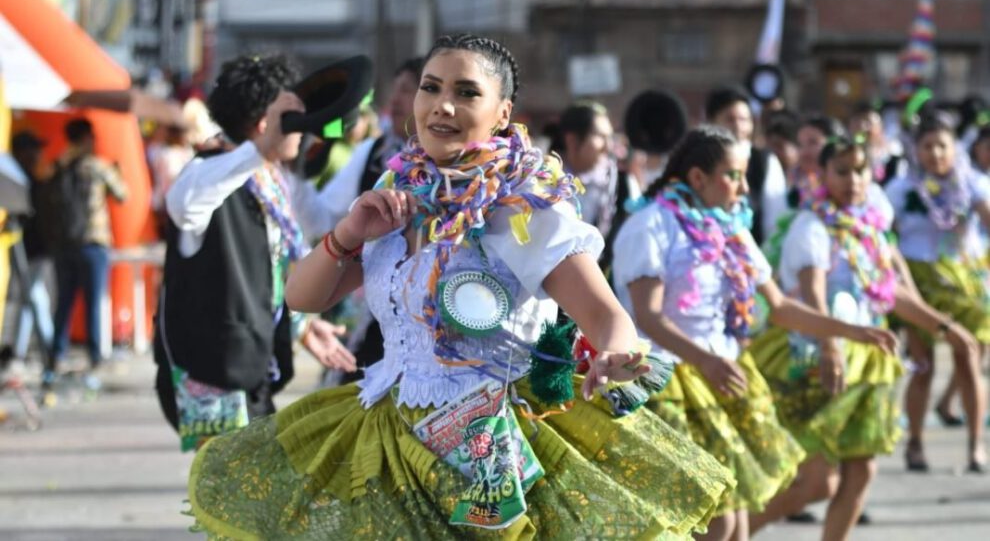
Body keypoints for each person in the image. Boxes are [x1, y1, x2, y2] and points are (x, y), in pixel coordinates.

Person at [186, 34, 736, 538]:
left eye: (466, 92)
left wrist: (617, 352)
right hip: (388, 435)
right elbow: (302, 296)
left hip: (491, 447)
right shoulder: (397, 192)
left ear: (502, 114)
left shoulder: (525, 208)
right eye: (431, 88)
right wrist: (350, 232)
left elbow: (608, 316)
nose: (441, 106)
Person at [612, 126, 898, 541]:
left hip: (722, 369)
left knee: (738, 518)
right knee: (715, 520)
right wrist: (707, 361)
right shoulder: (650, 226)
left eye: (745, 175)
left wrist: (852, 331)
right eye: (733, 175)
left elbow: (779, 307)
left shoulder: (728, 228)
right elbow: (650, 318)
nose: (745, 187)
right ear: (697, 178)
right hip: (669, 377)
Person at [748, 135, 981, 539]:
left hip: (867, 359)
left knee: (861, 472)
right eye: (841, 171)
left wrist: (945, 327)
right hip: (814, 356)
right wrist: (829, 347)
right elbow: (813, 291)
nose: (853, 180)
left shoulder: (870, 223)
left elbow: (891, 293)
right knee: (817, 482)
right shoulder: (811, 225)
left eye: (859, 171)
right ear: (821, 175)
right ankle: (721, 534)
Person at [153, 54, 357, 446]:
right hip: (211, 374)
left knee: (243, 499)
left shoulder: (269, 181)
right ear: (265, 123)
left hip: (254, 366)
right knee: (232, 497)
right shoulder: (211, 169)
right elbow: (185, 201)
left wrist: (301, 326)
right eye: (294, 117)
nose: (303, 129)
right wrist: (258, 150)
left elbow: (274, 265)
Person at [886, 113, 990, 472]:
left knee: (969, 359)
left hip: (961, 280)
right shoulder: (902, 189)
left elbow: (986, 213)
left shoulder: (972, 182)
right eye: (927, 146)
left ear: (953, 148)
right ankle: (914, 443)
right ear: (916, 150)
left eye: (941, 145)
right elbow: (887, 236)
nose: (934, 153)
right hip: (919, 283)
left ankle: (976, 446)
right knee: (923, 367)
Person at [315, 57, 423, 384]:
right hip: (375, 332)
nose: (395, 100)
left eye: (409, 90)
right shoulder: (376, 156)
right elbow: (319, 218)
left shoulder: (501, 188)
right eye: (397, 89)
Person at [44, 119, 128, 390]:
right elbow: (122, 195)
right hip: (93, 243)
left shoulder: (58, 165)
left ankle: (55, 356)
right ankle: (95, 358)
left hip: (63, 245)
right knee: (94, 303)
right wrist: (119, 171)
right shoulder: (96, 166)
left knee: (64, 304)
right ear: (88, 137)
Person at [547, 101, 639, 274]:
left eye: (610, 137)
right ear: (572, 141)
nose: (609, 146)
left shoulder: (622, 183)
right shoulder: (541, 182)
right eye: (600, 136)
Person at [705, 86, 787, 245]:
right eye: (730, 119)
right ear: (712, 122)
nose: (737, 126)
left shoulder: (763, 161)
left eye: (743, 119)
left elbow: (775, 221)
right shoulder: (702, 162)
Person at [10, 132, 54, 361]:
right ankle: (47, 347)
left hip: (36, 247)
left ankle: (25, 349)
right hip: (26, 246)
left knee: (33, 296)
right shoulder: (20, 181)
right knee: (34, 296)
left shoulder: (34, 179)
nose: (39, 153)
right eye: (34, 148)